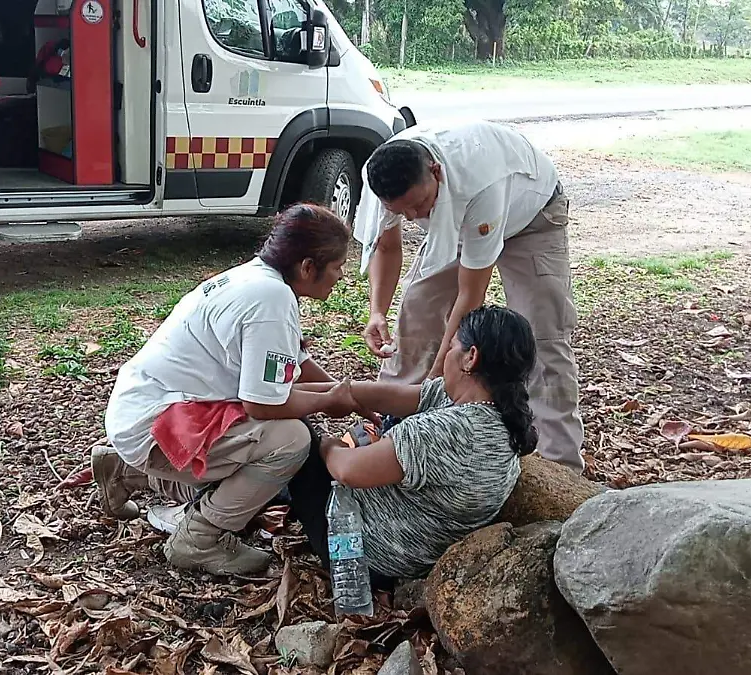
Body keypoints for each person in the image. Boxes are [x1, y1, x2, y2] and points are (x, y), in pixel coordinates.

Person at [95, 203, 372, 577]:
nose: (341, 275)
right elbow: (262, 405)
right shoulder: (271, 300)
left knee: (270, 441)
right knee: (289, 440)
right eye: (337, 265)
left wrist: (350, 396)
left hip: (145, 408)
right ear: (308, 267)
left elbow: (298, 363)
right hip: (157, 423)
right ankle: (199, 539)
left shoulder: (259, 280)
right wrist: (330, 401)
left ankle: (123, 471)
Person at [353, 118, 584, 472]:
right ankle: (394, 426)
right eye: (402, 211)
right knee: (417, 311)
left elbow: (470, 297)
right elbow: (386, 247)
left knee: (542, 337)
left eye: (420, 204)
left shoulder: (481, 183)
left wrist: (437, 376)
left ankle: (561, 466)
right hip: (459, 223)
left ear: (436, 171)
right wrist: (376, 313)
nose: (415, 217)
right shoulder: (381, 178)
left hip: (532, 217)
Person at [286, 305, 536, 582]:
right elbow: (393, 395)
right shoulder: (500, 414)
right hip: (409, 552)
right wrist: (328, 394)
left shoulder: (447, 432)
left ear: (471, 357)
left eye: (453, 347)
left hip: (363, 552)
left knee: (297, 435)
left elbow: (348, 470)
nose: (447, 356)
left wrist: (326, 445)